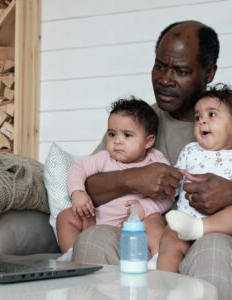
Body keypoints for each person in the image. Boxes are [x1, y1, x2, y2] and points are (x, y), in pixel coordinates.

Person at [72, 20, 232, 299]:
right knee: (94, 237)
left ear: (208, 73)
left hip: (213, 239)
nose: (165, 79)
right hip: (151, 240)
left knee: (213, 246)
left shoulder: (230, 121)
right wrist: (133, 179)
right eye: (160, 66)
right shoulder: (137, 122)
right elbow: (89, 187)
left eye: (180, 70)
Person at [56, 98, 173, 260]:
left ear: (148, 141)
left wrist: (145, 208)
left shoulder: (156, 161)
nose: (117, 141)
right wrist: (77, 192)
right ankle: (72, 253)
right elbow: (78, 169)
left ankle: (156, 258)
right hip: (97, 218)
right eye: (112, 134)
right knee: (65, 217)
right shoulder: (104, 158)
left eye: (127, 135)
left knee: (155, 221)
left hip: (136, 223)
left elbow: (169, 195)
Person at [157, 83, 232, 272]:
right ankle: (166, 285)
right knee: (168, 241)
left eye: (211, 114)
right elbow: (174, 183)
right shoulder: (190, 151)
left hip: (220, 227)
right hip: (184, 220)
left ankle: (199, 228)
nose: (201, 121)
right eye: (197, 117)